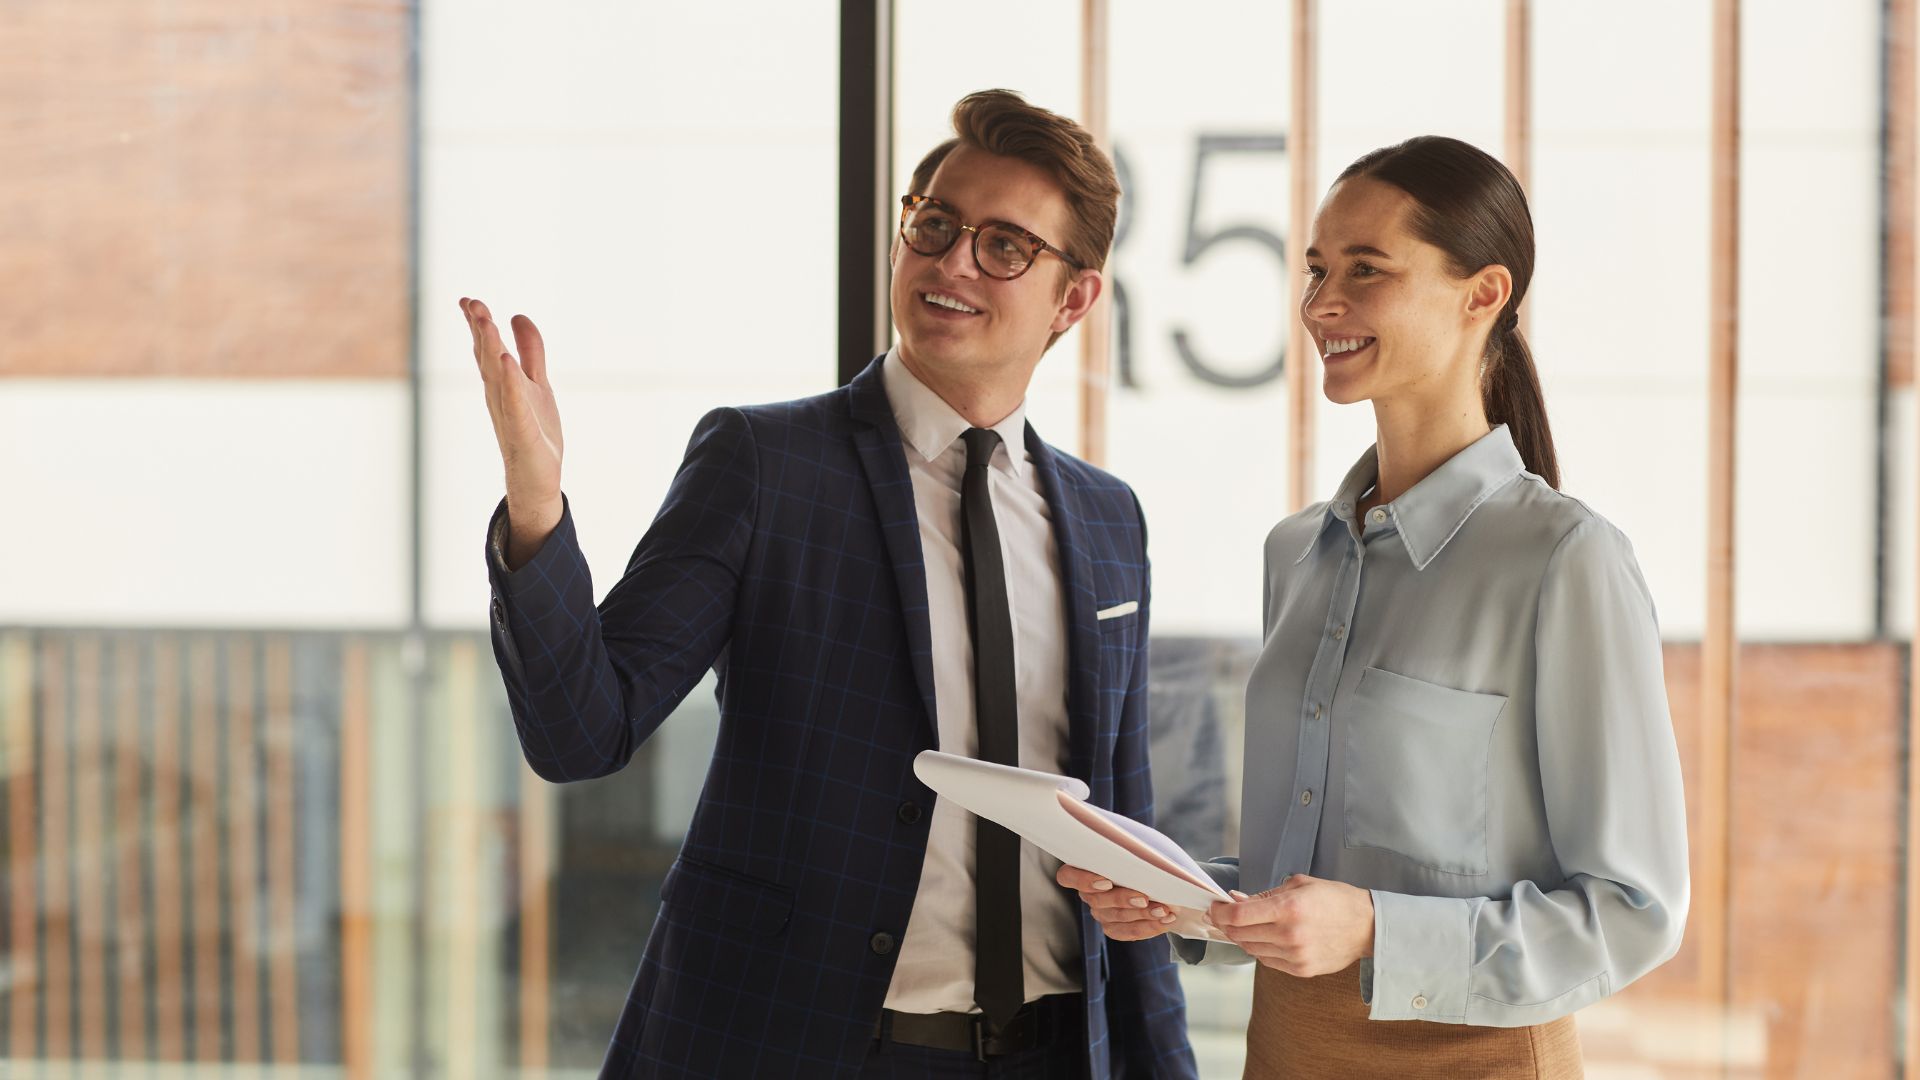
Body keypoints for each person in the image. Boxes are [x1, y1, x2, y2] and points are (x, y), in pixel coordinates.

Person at [463, 89, 1197, 1079]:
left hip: (1057, 1052)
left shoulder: (1110, 519)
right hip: (806, 1044)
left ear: (1075, 298)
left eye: (1004, 247)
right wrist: (537, 504)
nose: (950, 264)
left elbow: (1124, 833)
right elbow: (581, 733)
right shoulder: (766, 464)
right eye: (933, 225)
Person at [1060, 135, 1689, 1078]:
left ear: (1484, 294)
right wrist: (1190, 900)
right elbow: (1308, 876)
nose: (1321, 304)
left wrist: (1373, 931)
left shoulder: (1566, 560)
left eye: (1366, 269)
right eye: (1316, 269)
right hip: (1284, 1051)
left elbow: (1635, 912)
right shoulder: (1297, 554)